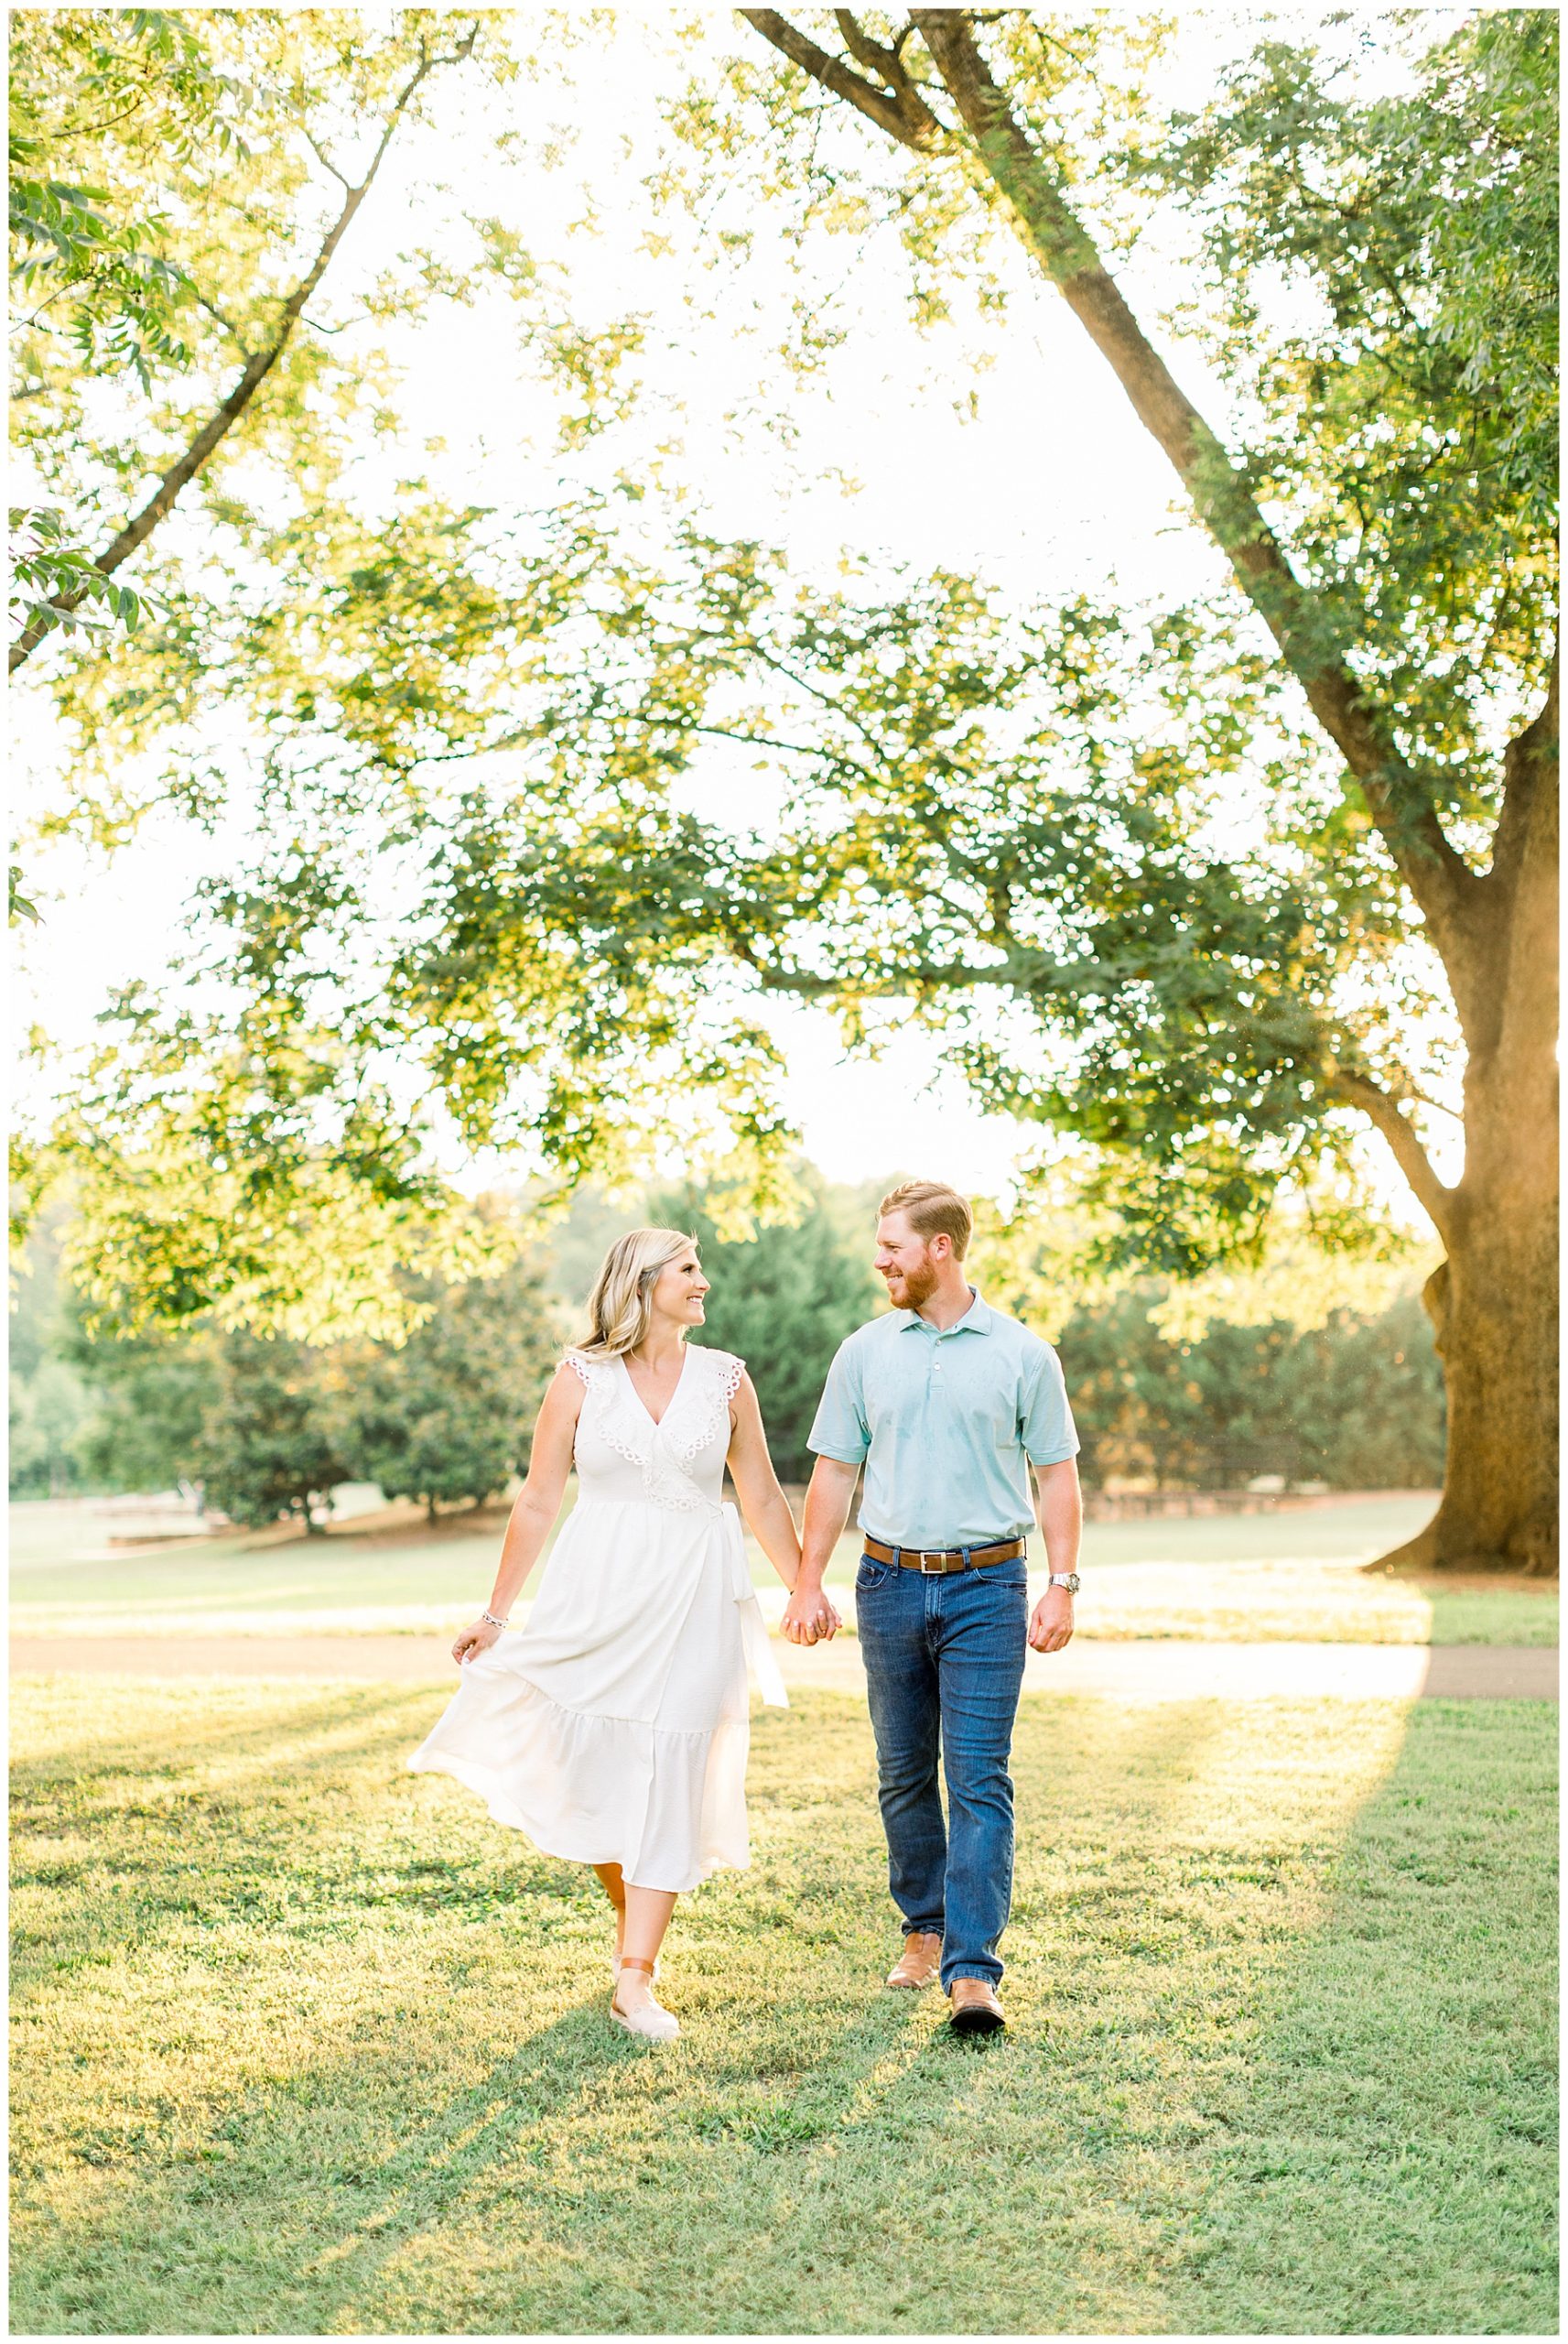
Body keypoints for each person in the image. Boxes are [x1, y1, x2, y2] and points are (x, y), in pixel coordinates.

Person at [407, 1227, 800, 2043]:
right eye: (688, 1269)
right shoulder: (579, 1378)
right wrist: (496, 1613)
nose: (703, 1281)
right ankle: (632, 1919)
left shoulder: (727, 1379)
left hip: (696, 1595)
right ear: (643, 1283)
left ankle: (634, 1979)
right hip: (596, 1595)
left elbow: (760, 1494)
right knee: (592, 1764)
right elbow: (538, 1499)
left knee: (675, 1768)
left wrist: (803, 1586)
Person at [782, 1179, 1081, 2038]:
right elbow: (834, 1472)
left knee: (978, 1776)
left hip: (989, 1586)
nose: (880, 1262)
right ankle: (923, 1927)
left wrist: (1062, 1582)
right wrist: (807, 1581)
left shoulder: (1023, 1354)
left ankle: (973, 1970)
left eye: (892, 1248)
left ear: (939, 1248)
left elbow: (1056, 1473)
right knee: (903, 1770)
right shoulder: (863, 1352)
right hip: (888, 1584)